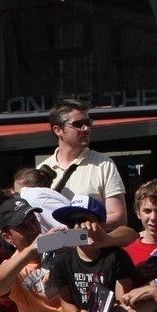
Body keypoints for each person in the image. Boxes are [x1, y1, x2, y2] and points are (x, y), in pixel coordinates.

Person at [39, 99, 127, 233]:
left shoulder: (104, 164)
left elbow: (119, 217)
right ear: (58, 130)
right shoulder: (41, 169)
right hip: (56, 245)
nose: (86, 128)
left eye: (88, 123)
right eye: (78, 124)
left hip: (92, 243)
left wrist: (87, 225)